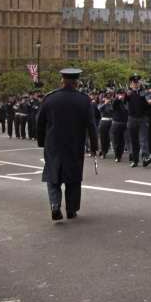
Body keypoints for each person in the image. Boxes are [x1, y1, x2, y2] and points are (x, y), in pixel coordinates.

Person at [36, 68, 98, 221]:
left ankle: (55, 205)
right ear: (77, 82)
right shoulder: (84, 100)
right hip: (75, 143)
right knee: (73, 177)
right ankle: (71, 209)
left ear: (61, 80)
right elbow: (91, 125)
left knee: (53, 176)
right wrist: (94, 146)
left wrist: (41, 141)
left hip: (53, 143)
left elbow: (40, 122)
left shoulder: (50, 98)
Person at [126, 74, 151, 167]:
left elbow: (148, 104)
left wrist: (149, 103)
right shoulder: (129, 93)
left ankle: (145, 157)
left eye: (137, 82)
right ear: (131, 83)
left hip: (142, 118)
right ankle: (135, 160)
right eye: (134, 82)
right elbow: (124, 100)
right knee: (134, 140)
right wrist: (127, 94)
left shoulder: (144, 92)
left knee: (143, 139)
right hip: (132, 118)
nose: (136, 84)